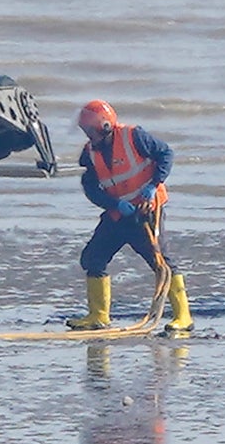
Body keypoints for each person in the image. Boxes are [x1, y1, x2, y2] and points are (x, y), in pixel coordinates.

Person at [70, 100, 185, 334]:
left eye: (91, 130)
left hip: (146, 211)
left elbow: (165, 154)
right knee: (93, 258)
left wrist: (153, 185)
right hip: (118, 213)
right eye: (85, 131)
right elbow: (90, 187)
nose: (89, 136)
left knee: (160, 262)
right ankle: (98, 316)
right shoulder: (89, 153)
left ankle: (183, 316)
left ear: (105, 126)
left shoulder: (135, 137)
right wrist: (114, 204)